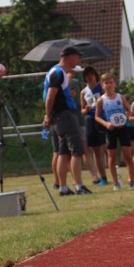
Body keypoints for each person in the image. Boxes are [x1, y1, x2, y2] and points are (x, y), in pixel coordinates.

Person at [42, 46, 92, 196]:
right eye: (77, 56)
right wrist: (47, 115)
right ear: (70, 56)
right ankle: (79, 186)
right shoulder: (58, 72)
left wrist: (50, 115)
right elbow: (50, 96)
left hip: (60, 117)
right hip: (65, 115)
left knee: (63, 152)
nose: (78, 60)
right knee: (77, 151)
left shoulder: (56, 71)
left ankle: (63, 188)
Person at [95, 72, 134, 190]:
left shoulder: (120, 97)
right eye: (106, 83)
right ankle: (116, 183)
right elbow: (96, 117)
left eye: (111, 82)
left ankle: (132, 181)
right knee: (111, 157)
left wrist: (128, 116)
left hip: (123, 128)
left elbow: (128, 110)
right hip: (110, 130)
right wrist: (106, 124)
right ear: (102, 85)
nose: (109, 85)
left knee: (128, 156)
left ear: (115, 84)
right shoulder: (101, 100)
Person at [80, 66, 108, 185]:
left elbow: (108, 100)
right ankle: (103, 177)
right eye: (87, 75)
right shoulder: (83, 92)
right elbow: (82, 110)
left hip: (102, 119)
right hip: (91, 121)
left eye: (91, 74)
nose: (89, 77)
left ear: (95, 75)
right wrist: (86, 110)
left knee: (107, 148)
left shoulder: (102, 87)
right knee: (96, 150)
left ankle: (115, 172)